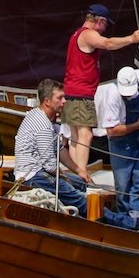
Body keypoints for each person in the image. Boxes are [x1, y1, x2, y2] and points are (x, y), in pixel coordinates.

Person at [63, 4, 139, 176]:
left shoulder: (75, 35)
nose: (105, 29)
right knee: (86, 136)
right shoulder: (88, 34)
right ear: (99, 21)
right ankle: (82, 175)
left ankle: (76, 173)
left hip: (70, 92)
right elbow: (107, 43)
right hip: (81, 94)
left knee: (76, 138)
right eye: (105, 25)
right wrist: (131, 38)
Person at [13, 79, 90, 215]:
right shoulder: (43, 125)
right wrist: (64, 177)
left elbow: (60, 150)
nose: (64, 101)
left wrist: (80, 171)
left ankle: (79, 219)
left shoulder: (40, 116)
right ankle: (121, 223)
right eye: (60, 98)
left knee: (80, 182)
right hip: (33, 176)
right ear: (47, 101)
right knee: (79, 198)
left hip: (39, 173)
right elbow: (50, 166)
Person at [95, 66, 139, 229]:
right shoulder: (112, 96)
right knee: (123, 185)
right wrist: (138, 124)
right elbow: (111, 131)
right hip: (121, 142)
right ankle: (122, 221)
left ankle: (136, 219)